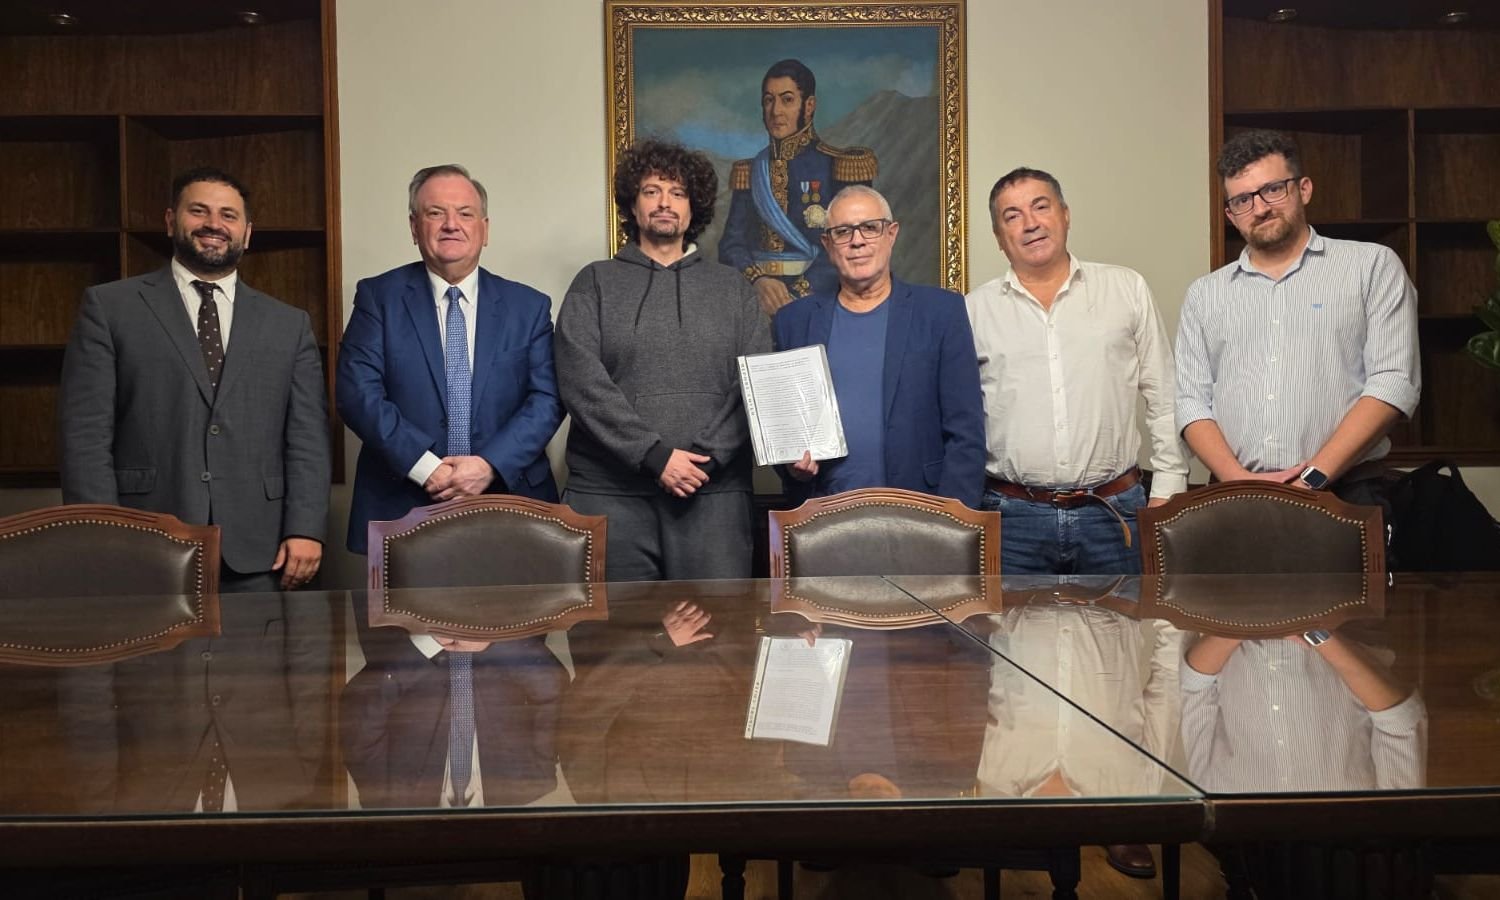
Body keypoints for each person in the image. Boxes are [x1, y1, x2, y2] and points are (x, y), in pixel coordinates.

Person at [59, 166, 330, 592]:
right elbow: (85, 434)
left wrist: (306, 528)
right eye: (199, 211)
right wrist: (101, 533)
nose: (213, 224)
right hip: (143, 541)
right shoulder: (110, 308)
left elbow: (308, 438)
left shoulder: (289, 324)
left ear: (247, 233)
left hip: (262, 548)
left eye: (228, 215)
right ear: (171, 221)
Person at [1176, 130, 1420, 524]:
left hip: (1345, 492)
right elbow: (1190, 401)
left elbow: (1393, 382)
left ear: (1303, 189)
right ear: (1230, 215)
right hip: (1234, 496)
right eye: (1242, 200)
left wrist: (1312, 480)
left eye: (1273, 190)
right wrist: (1237, 481)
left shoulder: (1371, 267)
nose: (1260, 208)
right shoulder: (1205, 295)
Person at [554, 139, 770, 581]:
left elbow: (755, 382)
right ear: (633, 206)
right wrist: (654, 456)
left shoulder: (734, 289)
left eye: (677, 192)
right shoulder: (594, 283)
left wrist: (704, 460)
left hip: (714, 500)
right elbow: (581, 380)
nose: (665, 203)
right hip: (611, 497)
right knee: (617, 627)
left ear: (694, 207)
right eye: (651, 191)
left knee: (717, 627)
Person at [965, 168, 1188, 577]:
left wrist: (1168, 489)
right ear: (998, 236)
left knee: (1126, 621)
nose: (1030, 223)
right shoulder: (974, 311)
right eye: (1012, 216)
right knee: (1007, 623)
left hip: (1115, 514)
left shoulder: (1126, 289)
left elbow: (1165, 395)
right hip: (1012, 523)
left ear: (1065, 214)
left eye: (1041, 207)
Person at [337, 164, 562, 555]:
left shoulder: (529, 307)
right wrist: (427, 468)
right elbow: (358, 394)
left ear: (485, 229)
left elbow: (548, 399)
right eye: (435, 213)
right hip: (402, 501)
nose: (451, 225)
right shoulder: (378, 298)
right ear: (414, 227)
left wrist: (489, 465)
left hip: (509, 497)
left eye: (465, 213)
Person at [772, 185, 985, 507]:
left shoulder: (942, 313)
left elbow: (966, 432)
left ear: (891, 234)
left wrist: (950, 519)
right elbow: (784, 430)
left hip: (922, 510)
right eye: (843, 232)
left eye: (870, 228)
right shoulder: (793, 321)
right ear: (827, 244)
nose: (857, 241)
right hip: (823, 513)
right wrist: (792, 466)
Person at [719, 58, 878, 316]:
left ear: (809, 105)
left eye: (787, 100)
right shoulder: (751, 171)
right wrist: (758, 280)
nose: (776, 111)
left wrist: (797, 296)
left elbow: (852, 244)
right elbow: (731, 246)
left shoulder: (839, 167)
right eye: (769, 100)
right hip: (758, 302)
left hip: (821, 303)